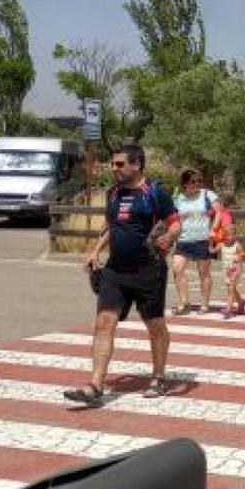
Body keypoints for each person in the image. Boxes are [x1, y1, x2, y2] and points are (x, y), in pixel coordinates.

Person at [65, 145, 181, 406]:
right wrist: (95, 251)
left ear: (136, 164)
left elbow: (175, 222)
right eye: (113, 164)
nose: (114, 168)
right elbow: (111, 226)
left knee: (155, 326)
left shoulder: (155, 192)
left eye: (119, 164)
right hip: (115, 270)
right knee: (103, 323)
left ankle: (159, 375)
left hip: (148, 270)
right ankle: (95, 385)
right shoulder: (114, 193)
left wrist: (169, 236)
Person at [171, 169, 222, 316]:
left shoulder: (207, 194)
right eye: (193, 181)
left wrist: (213, 229)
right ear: (185, 183)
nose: (197, 184)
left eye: (199, 181)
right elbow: (174, 218)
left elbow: (219, 211)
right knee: (176, 269)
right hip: (183, 239)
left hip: (202, 239)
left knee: (203, 273)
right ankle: (184, 302)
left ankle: (204, 304)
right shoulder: (178, 198)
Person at [219, 228, 245, 319]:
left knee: (230, 289)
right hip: (225, 270)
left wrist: (237, 260)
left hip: (234, 270)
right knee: (231, 288)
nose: (229, 237)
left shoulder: (237, 245)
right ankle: (241, 302)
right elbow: (212, 251)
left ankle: (228, 309)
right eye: (227, 235)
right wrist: (211, 241)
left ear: (235, 235)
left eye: (232, 235)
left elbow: (241, 256)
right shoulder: (221, 244)